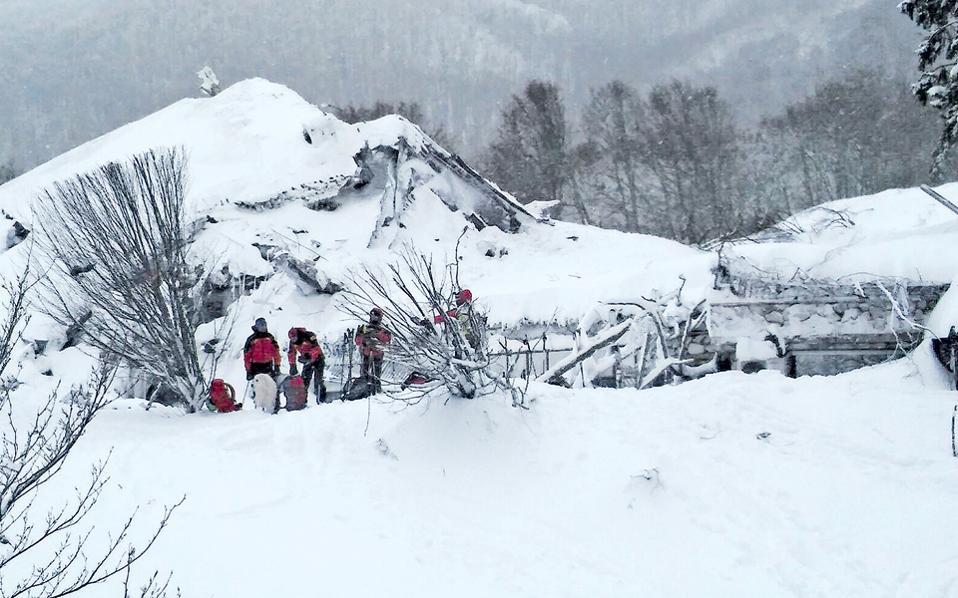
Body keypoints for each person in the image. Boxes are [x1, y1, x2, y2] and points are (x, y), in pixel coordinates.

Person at [354, 307, 392, 394]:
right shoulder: (363, 328)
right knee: (364, 374)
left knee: (376, 375)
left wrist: (375, 335)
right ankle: (364, 391)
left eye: (376, 316)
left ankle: (376, 391)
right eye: (372, 316)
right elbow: (357, 341)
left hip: (377, 355)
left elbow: (387, 339)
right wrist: (364, 338)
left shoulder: (383, 329)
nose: (374, 318)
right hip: (366, 354)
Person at [287, 327, 326, 402]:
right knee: (304, 382)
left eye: (294, 338)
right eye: (291, 338)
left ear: (297, 335)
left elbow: (316, 348)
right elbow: (291, 353)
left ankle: (321, 400)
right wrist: (292, 365)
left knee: (318, 381)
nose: (293, 340)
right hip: (307, 361)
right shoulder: (292, 342)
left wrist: (309, 355)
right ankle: (302, 401)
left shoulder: (308, 336)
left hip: (318, 359)